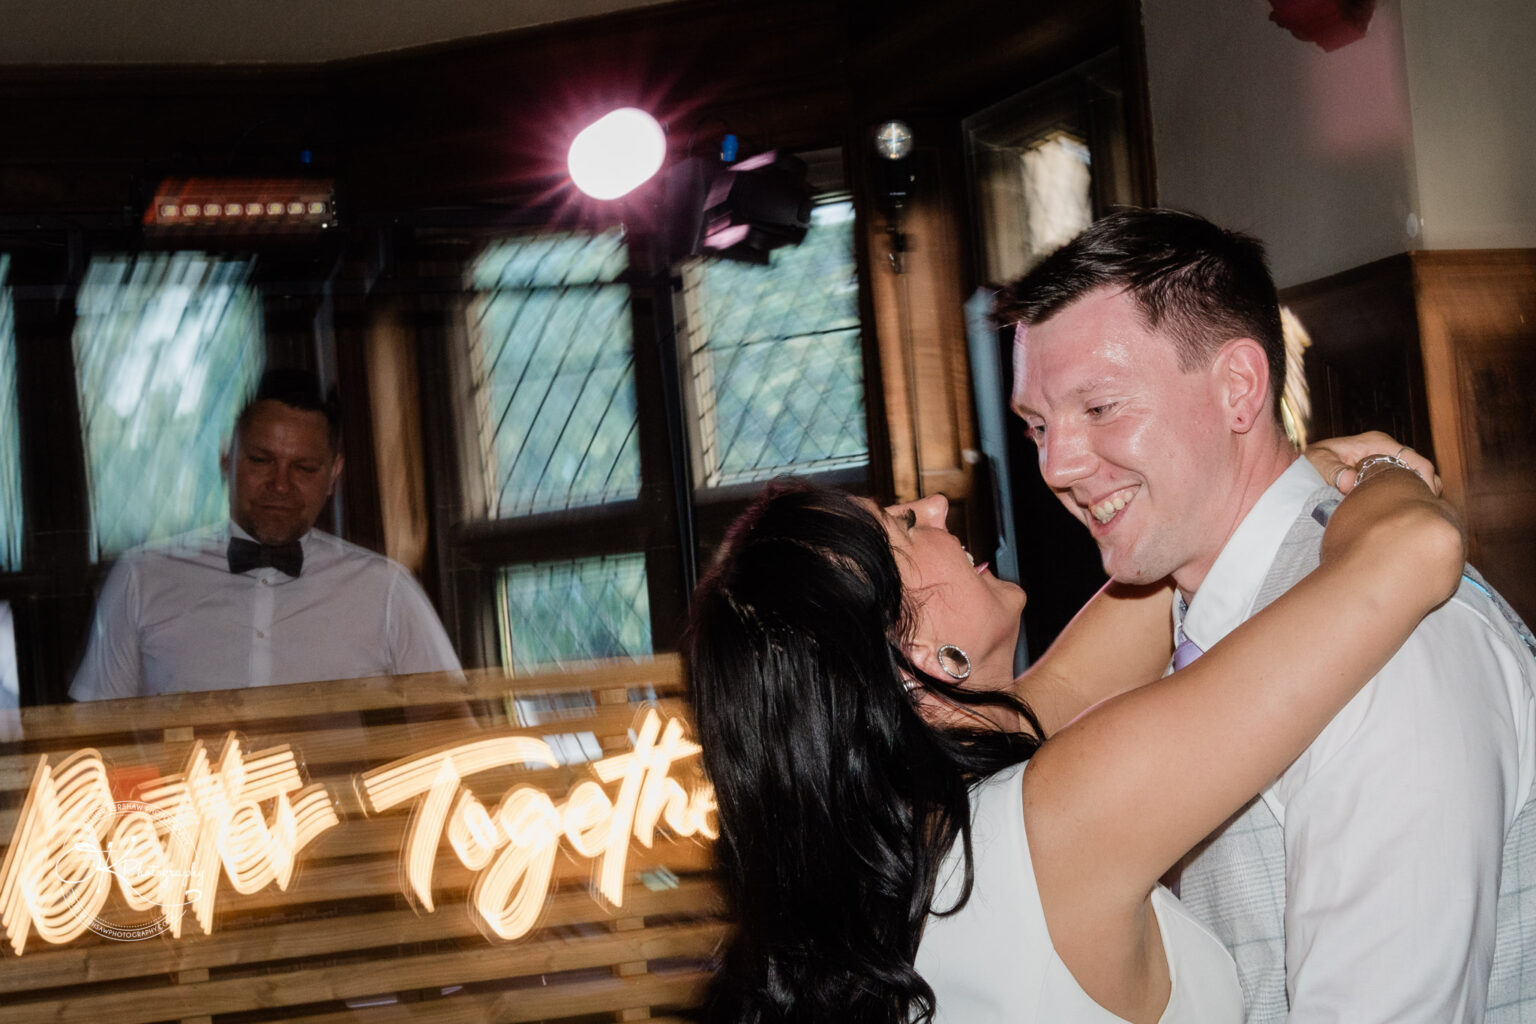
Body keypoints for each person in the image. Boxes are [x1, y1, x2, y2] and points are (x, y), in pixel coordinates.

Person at [685, 441, 1462, 1023]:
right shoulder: (1055, 819)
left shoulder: (911, 867)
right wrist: (1385, 477)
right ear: (913, 657)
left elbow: (1111, 638)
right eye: (900, 526)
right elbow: (1413, 552)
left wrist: (1286, 472)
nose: (933, 506)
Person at [1000, 208, 1536, 1023]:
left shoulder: (1383, 648)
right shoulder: (1223, 612)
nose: (1058, 465)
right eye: (1037, 426)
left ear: (1241, 388)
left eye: (1101, 408)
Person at [70, 368, 461, 700]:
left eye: (304, 467)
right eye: (260, 460)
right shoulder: (141, 579)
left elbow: (453, 729)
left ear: (333, 476)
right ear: (227, 458)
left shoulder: (386, 590)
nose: (280, 485)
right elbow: (91, 742)